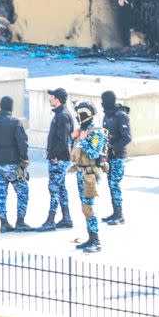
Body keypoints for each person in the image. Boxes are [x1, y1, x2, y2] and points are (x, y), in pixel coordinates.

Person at [0, 96, 31, 233]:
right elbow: (22, 143)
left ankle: (4, 223)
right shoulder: (15, 123)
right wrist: (24, 158)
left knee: (1, 193)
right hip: (13, 164)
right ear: (11, 107)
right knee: (22, 191)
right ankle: (20, 221)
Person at [68, 102, 108, 253]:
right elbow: (74, 153)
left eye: (79, 114)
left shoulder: (96, 133)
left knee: (88, 207)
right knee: (84, 207)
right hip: (80, 172)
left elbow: (93, 153)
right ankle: (90, 237)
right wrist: (74, 138)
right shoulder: (83, 131)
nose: (77, 117)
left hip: (90, 175)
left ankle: (96, 241)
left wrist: (84, 140)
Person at [39, 88, 74, 231]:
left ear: (58, 99)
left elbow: (64, 140)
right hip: (58, 158)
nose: (50, 99)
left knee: (53, 188)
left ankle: (50, 220)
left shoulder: (63, 116)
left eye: (52, 97)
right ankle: (66, 218)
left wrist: (54, 155)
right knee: (60, 188)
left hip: (58, 159)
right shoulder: (60, 114)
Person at [100, 90, 132, 226]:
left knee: (115, 184)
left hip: (118, 156)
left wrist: (113, 148)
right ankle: (115, 212)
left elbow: (127, 137)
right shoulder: (107, 116)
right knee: (111, 185)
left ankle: (119, 215)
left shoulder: (121, 116)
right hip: (109, 157)